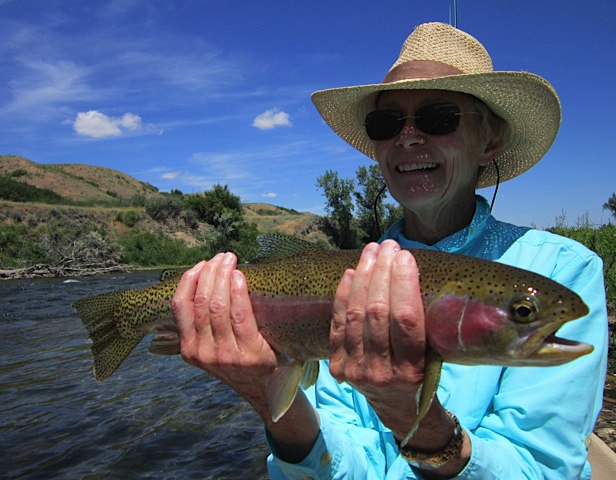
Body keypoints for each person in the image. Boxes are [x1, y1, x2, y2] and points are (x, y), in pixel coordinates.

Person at [171, 22, 608, 479]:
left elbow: (542, 469)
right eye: (387, 123)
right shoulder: (354, 280)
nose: (409, 136)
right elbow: (344, 467)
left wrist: (413, 418)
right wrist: (266, 392)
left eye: (440, 117)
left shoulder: (564, 268)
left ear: (490, 141)